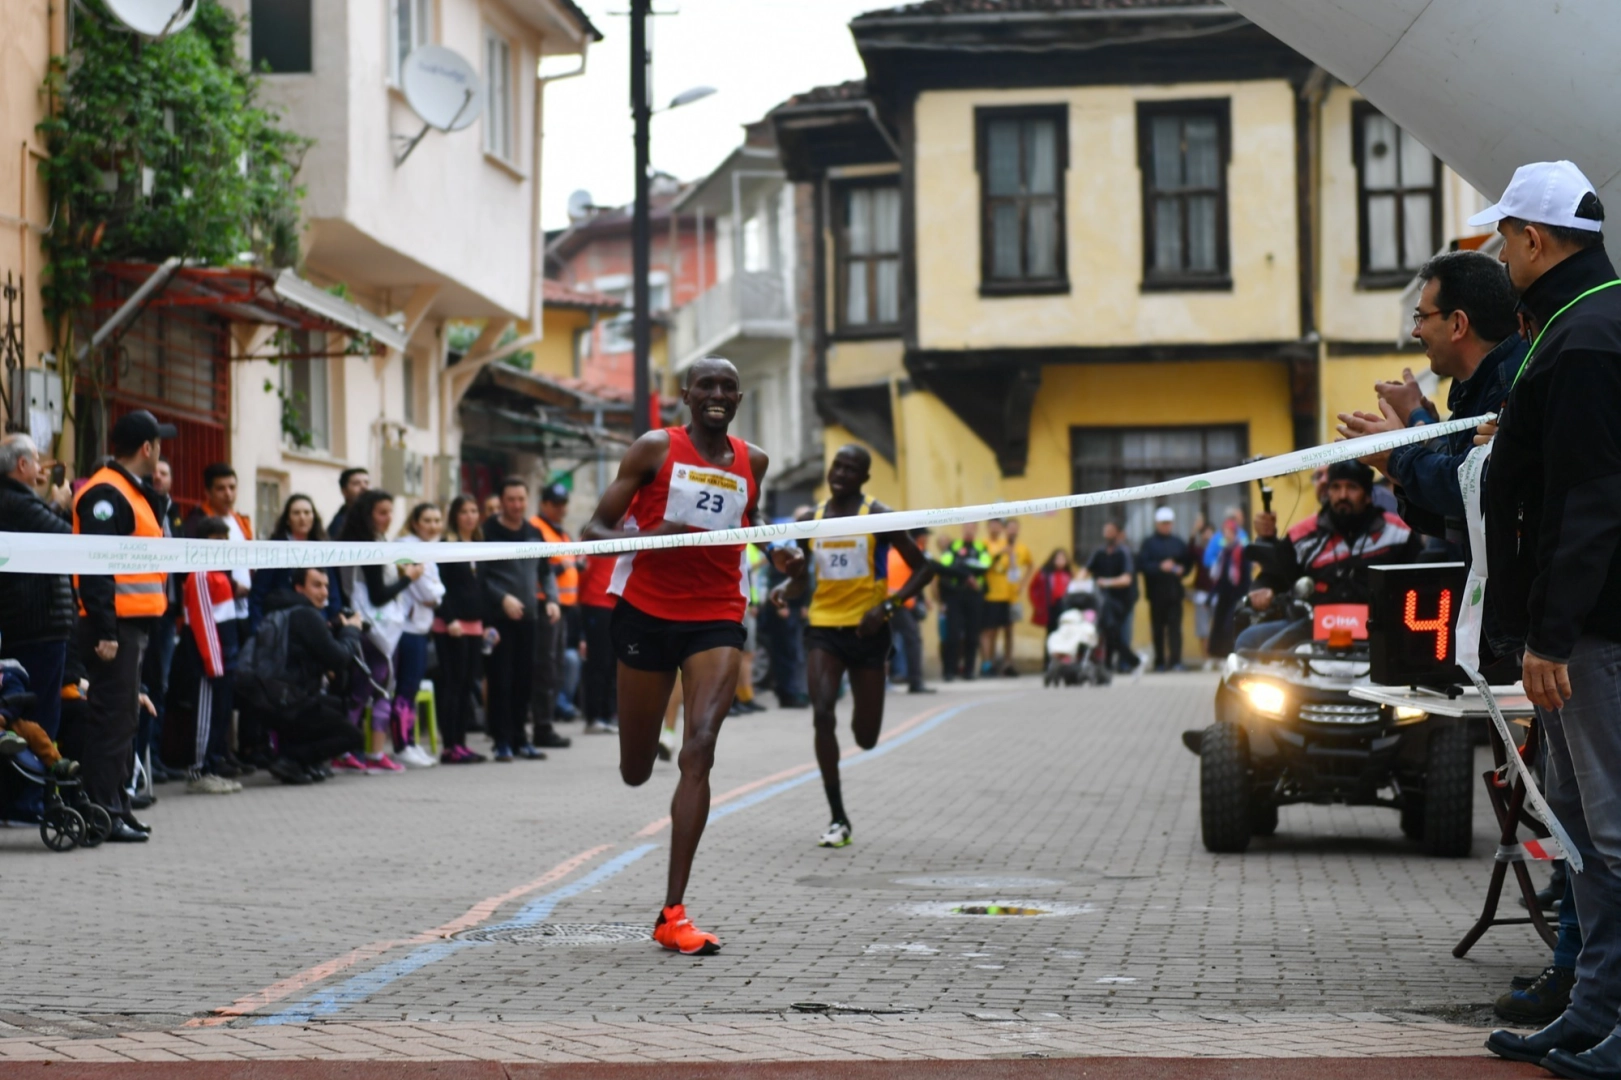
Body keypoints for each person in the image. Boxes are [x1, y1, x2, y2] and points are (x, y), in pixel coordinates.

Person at [1469, 161, 1621, 1074]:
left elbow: (1592, 499)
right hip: (1579, 628)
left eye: (1502, 236)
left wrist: (1550, 634)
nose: (1496, 250)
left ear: (1533, 239)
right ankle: (1595, 1006)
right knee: (1576, 825)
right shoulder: (1578, 326)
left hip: (1593, 631)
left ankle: (1608, 1013)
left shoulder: (1587, 338)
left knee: (1609, 828)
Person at [582, 355, 769, 956]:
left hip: (717, 614)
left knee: (700, 747)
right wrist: (640, 538)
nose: (717, 394)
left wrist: (780, 550)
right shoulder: (653, 449)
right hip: (647, 612)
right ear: (685, 394)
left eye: (728, 387)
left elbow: (751, 518)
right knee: (635, 768)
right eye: (706, 385)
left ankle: (673, 912)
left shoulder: (753, 461)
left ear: (739, 398)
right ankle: (640, 756)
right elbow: (594, 530)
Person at [771, 446, 931, 849]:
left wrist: (888, 606)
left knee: (866, 736)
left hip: (868, 631)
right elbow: (801, 581)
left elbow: (926, 568)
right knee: (822, 712)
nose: (840, 473)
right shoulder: (810, 520)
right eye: (837, 466)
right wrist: (783, 587)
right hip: (824, 629)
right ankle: (838, 817)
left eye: (851, 469)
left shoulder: (879, 517)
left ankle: (864, 727)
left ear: (864, 477)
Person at [1337, 249, 1523, 564]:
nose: (1415, 331)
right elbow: (1456, 519)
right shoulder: (1478, 386)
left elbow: (1468, 485)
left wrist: (1398, 450)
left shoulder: (1510, 387)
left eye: (1422, 316)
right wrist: (1392, 466)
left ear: (1458, 324)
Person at [70, 409, 175, 842]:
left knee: (125, 720)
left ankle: (118, 805)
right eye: (159, 444)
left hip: (133, 627)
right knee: (112, 721)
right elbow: (96, 569)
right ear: (147, 448)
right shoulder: (106, 494)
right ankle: (103, 811)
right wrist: (107, 630)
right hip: (115, 629)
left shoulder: (131, 492)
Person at [1234, 461, 1420, 655]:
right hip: (1312, 628)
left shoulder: (1398, 533)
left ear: (1367, 495)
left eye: (1352, 487)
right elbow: (1274, 576)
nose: (1342, 495)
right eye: (1336, 487)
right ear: (1328, 492)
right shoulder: (1302, 536)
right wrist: (1262, 590)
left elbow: (1419, 580)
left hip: (1381, 628)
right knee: (1249, 643)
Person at [0, 434, 75, 819]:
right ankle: (26, 801)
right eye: (35, 460)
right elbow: (63, 538)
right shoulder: (14, 502)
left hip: (36, 622)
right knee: (36, 718)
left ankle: (29, 798)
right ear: (22, 466)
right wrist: (60, 503)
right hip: (34, 623)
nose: (42, 467)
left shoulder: (20, 500)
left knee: (35, 715)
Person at [250, 568, 366, 784]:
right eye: (316, 585)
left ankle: (305, 762)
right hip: (290, 703)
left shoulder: (285, 611)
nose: (324, 592)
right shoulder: (306, 615)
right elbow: (339, 658)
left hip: (271, 698)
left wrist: (334, 627)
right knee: (353, 736)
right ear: (299, 588)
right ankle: (292, 760)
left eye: (326, 586)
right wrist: (351, 630)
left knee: (336, 705)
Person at [337, 489, 423, 773]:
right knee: (366, 690)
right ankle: (350, 751)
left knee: (378, 689)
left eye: (390, 512)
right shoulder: (368, 547)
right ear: (367, 514)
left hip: (381, 629)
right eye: (382, 512)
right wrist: (408, 578)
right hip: (374, 630)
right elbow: (378, 595)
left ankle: (370, 753)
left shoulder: (373, 542)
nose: (388, 518)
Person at [481, 478, 560, 762]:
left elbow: (546, 571)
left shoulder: (533, 533)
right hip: (498, 620)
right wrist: (502, 598)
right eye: (511, 499)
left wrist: (551, 600)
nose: (516, 505)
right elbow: (481, 575)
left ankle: (520, 739)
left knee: (524, 680)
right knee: (501, 680)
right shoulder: (488, 531)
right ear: (501, 501)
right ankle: (501, 740)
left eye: (521, 499)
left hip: (529, 619)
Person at [186, 463, 259, 768]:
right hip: (211, 650)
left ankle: (221, 755)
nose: (228, 494)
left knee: (225, 701)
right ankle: (203, 767)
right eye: (221, 488)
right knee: (208, 703)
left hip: (232, 627)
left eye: (232, 487)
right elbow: (202, 619)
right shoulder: (199, 528)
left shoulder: (239, 521)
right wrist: (215, 662)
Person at [168, 516, 242, 794]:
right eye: (215, 540)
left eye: (225, 540)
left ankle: (212, 766)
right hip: (210, 662)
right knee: (206, 715)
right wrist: (214, 663)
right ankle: (199, 771)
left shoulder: (221, 574)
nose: (222, 545)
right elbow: (202, 622)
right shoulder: (201, 574)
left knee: (220, 716)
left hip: (225, 659)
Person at [433, 496, 489, 764]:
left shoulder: (479, 545)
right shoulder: (446, 546)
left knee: (467, 685)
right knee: (452, 685)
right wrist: (449, 618)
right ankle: (449, 746)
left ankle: (461, 743)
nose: (469, 516)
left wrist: (487, 624)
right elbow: (438, 586)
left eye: (473, 510)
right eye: (464, 511)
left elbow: (482, 587)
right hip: (451, 626)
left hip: (475, 624)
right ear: (455, 515)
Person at [139, 456, 184, 785]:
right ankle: (140, 762)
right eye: (155, 470)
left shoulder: (174, 513)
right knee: (142, 685)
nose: (158, 476)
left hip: (167, 613)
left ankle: (155, 756)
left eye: (165, 472)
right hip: (141, 611)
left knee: (161, 686)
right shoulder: (140, 506)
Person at [393, 502, 445, 768]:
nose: (434, 525)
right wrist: (435, 592)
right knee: (405, 688)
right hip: (407, 629)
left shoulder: (429, 549)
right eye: (427, 520)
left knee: (411, 689)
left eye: (437, 520)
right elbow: (429, 592)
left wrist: (435, 592)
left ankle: (411, 742)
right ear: (415, 522)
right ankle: (401, 744)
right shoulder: (407, 546)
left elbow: (438, 590)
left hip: (422, 628)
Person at [531, 483, 582, 742]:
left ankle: (547, 722)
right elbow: (539, 569)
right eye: (556, 503)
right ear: (544, 504)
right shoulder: (536, 528)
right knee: (545, 668)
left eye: (564, 503)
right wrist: (562, 568)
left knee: (557, 666)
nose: (561, 508)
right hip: (544, 606)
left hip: (565, 608)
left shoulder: (560, 533)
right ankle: (542, 725)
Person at [250, 494, 328, 629]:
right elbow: (258, 593)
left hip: (318, 621)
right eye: (296, 513)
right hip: (283, 622)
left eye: (307, 512)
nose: (302, 518)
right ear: (288, 519)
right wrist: (257, 628)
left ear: (313, 517)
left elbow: (332, 593)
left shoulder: (322, 547)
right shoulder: (275, 548)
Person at [1139, 507, 1192, 672]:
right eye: (1163, 523)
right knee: (1158, 629)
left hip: (1175, 593)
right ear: (1157, 524)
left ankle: (1176, 661)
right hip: (1156, 594)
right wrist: (1160, 567)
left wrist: (1183, 569)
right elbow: (1142, 565)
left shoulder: (1178, 542)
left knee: (1175, 629)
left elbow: (1187, 562)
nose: (1166, 526)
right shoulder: (1148, 543)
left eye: (1168, 523)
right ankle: (1159, 662)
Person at [936, 524, 990, 681]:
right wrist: (967, 574)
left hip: (974, 596)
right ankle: (949, 671)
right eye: (967, 526)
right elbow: (945, 565)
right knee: (952, 634)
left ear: (976, 529)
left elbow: (985, 565)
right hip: (955, 595)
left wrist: (962, 567)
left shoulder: (981, 547)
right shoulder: (954, 546)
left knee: (972, 635)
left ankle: (969, 670)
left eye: (972, 527)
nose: (969, 529)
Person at [1087, 522, 1140, 674]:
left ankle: (1126, 664)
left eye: (1110, 531)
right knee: (1110, 631)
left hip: (1124, 602)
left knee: (1122, 634)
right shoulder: (1099, 552)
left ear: (1118, 533)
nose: (1107, 534)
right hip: (1105, 603)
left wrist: (1106, 582)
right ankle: (1109, 664)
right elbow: (1086, 570)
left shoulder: (1124, 552)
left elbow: (1127, 579)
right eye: (1105, 531)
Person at [886, 528, 933, 694]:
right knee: (913, 640)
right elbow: (924, 573)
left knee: (885, 642)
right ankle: (915, 681)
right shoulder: (914, 552)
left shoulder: (890, 553)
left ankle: (883, 681)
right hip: (900, 604)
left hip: (886, 603)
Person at [579, 547, 620, 735]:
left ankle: (608, 713)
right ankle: (594, 716)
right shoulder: (596, 539)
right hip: (596, 604)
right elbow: (583, 574)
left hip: (614, 606)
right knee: (598, 663)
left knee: (612, 663)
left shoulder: (624, 535)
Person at [325, 467, 370, 617]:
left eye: (366, 482)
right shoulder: (340, 526)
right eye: (356, 483)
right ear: (344, 491)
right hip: (351, 604)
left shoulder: (367, 520)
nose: (363, 487)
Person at [1028, 549, 1074, 638]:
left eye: (1063, 559)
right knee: (1051, 633)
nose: (1060, 561)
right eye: (1058, 559)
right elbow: (1033, 588)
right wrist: (1038, 605)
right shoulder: (1044, 573)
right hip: (1050, 607)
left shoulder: (1069, 574)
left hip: (1065, 606)